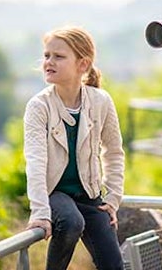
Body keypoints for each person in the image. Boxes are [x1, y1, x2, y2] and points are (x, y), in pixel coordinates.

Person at [25, 27, 125, 270]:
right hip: (55, 194)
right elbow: (35, 161)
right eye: (47, 55)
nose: (49, 62)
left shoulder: (101, 101)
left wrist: (112, 198)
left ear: (83, 64)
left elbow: (113, 152)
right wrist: (40, 212)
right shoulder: (39, 106)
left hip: (89, 195)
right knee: (71, 222)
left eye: (58, 57)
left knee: (114, 265)